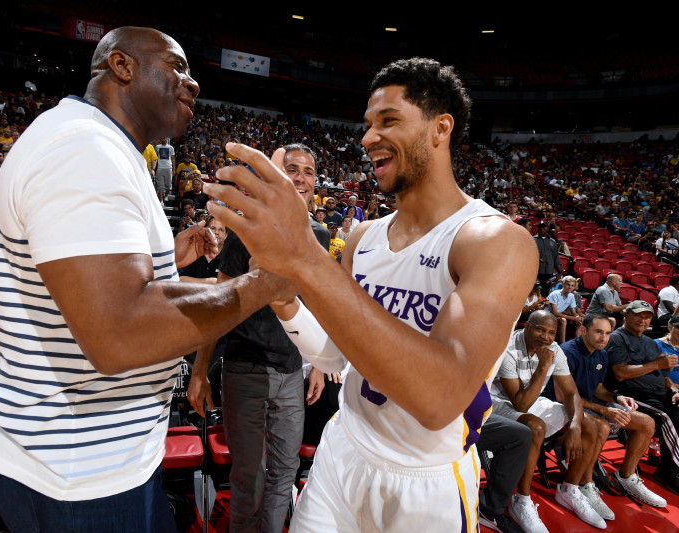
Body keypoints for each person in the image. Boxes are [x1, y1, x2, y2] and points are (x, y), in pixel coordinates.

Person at [0, 27, 292, 533]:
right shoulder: (84, 149)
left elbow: (95, 292)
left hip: (89, 450)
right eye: (177, 67)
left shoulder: (97, 145)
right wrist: (267, 282)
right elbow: (120, 331)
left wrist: (165, 267)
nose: (193, 83)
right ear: (121, 66)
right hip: (75, 469)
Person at [204, 57, 538, 532]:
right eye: (367, 125)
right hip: (343, 453)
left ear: (440, 128)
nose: (366, 138)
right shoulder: (363, 237)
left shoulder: (494, 242)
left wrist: (307, 258)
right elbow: (338, 357)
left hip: (425, 480)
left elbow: (439, 398)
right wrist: (286, 303)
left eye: (388, 121)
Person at [188, 144, 331, 533]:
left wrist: (320, 361)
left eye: (308, 171)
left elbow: (321, 304)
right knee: (249, 477)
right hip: (244, 367)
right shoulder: (244, 229)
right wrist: (199, 370)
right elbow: (217, 307)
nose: (300, 177)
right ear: (276, 177)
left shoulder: (319, 234)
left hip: (290, 371)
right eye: (292, 169)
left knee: (285, 470)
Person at [491, 311, 608, 530]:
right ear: (526, 327)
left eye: (552, 332)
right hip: (499, 402)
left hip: (530, 398)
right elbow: (520, 405)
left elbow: (572, 394)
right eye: (540, 329)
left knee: (589, 424)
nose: (546, 337)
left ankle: (569, 490)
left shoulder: (554, 349)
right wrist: (544, 366)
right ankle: (521, 501)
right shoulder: (508, 348)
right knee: (535, 426)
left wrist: (574, 426)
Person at [545, 314, 666, 508]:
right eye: (598, 332)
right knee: (601, 426)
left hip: (588, 403)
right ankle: (585, 484)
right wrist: (604, 410)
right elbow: (563, 397)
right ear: (584, 330)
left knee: (646, 423)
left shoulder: (601, 353)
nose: (603, 338)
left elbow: (597, 388)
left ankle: (626, 476)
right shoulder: (568, 352)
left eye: (608, 333)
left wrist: (615, 398)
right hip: (562, 406)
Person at [605, 300, 679, 494]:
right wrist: (657, 365)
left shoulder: (650, 343)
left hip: (659, 394)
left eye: (647, 317)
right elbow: (620, 373)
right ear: (627, 314)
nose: (642, 320)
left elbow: (662, 376)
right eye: (638, 315)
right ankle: (670, 470)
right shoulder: (617, 338)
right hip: (632, 396)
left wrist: (673, 389)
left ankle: (668, 465)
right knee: (668, 418)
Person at [475, 414, 531, 533]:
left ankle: (490, 510)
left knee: (521, 435)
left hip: (466, 414)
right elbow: (522, 404)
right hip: (437, 418)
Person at [548, 275, 584, 344]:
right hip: (548, 315)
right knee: (563, 320)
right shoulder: (555, 294)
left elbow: (574, 312)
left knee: (580, 320)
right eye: (568, 285)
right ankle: (563, 344)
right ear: (563, 284)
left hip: (557, 316)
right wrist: (573, 318)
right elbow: (555, 313)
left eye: (572, 285)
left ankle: (576, 342)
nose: (570, 287)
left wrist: (578, 317)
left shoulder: (571, 296)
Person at [534, 220, 561, 293]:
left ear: (547, 228)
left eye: (544, 227)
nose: (542, 229)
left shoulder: (552, 241)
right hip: (536, 273)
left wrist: (560, 272)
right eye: (540, 227)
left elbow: (556, 257)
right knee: (536, 292)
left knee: (546, 292)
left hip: (549, 273)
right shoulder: (532, 240)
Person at [155, 137, 174, 204]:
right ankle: (161, 201)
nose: (163, 139)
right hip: (160, 167)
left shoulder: (170, 147)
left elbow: (173, 158)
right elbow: (156, 157)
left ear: (167, 139)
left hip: (168, 167)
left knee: (168, 186)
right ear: (160, 139)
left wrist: (174, 169)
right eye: (162, 138)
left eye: (164, 138)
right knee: (161, 186)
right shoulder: (157, 147)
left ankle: (166, 195)